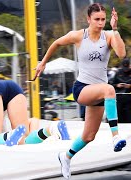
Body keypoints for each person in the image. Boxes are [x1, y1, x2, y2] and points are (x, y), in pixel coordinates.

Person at [34, 3, 126, 179]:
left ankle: (66, 156)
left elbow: (121, 54)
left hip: (98, 93)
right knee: (109, 89)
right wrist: (43, 62)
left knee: (89, 135)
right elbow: (56, 43)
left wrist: (114, 29)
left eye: (103, 19)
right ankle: (115, 137)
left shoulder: (107, 36)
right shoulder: (78, 36)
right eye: (97, 19)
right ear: (88, 19)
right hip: (83, 89)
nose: (100, 23)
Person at [111, 58, 131, 123]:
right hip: (119, 96)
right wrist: (117, 85)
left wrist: (130, 86)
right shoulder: (118, 73)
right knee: (119, 111)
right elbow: (112, 84)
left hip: (129, 97)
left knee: (128, 111)